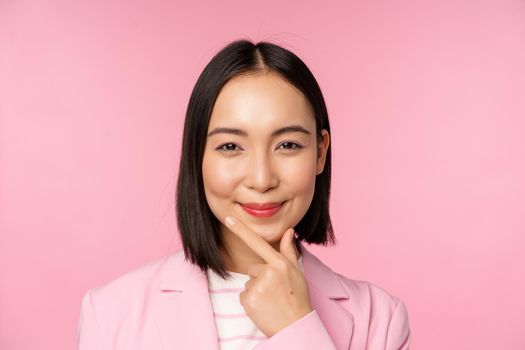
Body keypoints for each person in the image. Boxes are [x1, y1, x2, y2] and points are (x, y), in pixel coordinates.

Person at [76, 39, 412, 350]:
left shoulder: (380, 320)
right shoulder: (109, 313)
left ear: (320, 153)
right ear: (198, 156)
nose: (262, 179)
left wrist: (296, 327)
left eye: (288, 145)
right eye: (231, 146)